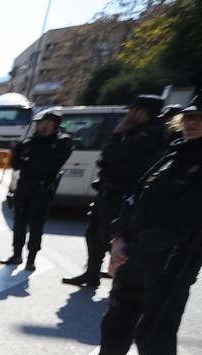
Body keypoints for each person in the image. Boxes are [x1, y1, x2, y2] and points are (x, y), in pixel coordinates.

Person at [53, 98, 202, 355]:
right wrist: (119, 237)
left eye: (199, 118)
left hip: (171, 262)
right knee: (118, 315)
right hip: (133, 253)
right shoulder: (173, 153)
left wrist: (131, 247)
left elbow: (182, 221)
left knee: (155, 330)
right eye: (189, 116)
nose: (192, 122)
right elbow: (135, 195)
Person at [64, 94, 167, 288]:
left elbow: (114, 156)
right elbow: (105, 158)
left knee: (113, 238)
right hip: (107, 191)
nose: (129, 114)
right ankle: (91, 274)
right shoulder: (134, 131)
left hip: (122, 195)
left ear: (142, 112)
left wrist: (117, 135)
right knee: (93, 234)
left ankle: (121, 283)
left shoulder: (150, 135)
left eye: (133, 110)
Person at [1, 110, 75, 271]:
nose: (39, 125)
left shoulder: (62, 142)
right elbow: (16, 165)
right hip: (24, 188)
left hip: (42, 191)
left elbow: (50, 165)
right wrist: (17, 152)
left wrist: (29, 158)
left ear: (52, 124)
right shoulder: (30, 142)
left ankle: (31, 258)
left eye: (43, 122)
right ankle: (16, 254)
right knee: (19, 223)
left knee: (36, 225)